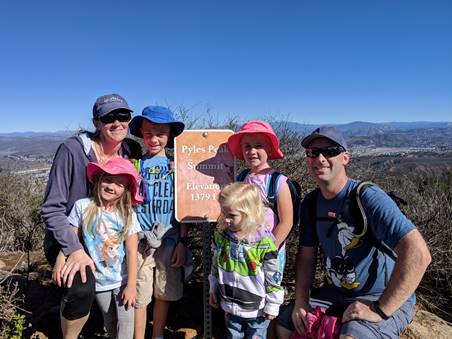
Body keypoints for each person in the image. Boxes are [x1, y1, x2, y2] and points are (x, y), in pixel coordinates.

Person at [276, 126, 432, 339]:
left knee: (352, 336)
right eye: (313, 153)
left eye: (330, 151)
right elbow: (307, 257)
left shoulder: (367, 197)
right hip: (335, 293)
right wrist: (301, 301)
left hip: (379, 296)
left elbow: (418, 253)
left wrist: (380, 309)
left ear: (345, 158)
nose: (320, 158)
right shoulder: (311, 204)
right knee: (283, 326)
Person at [41, 93, 140, 339]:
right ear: (97, 122)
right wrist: (71, 250)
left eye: (123, 115)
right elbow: (52, 208)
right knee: (82, 287)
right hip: (71, 238)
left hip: (110, 237)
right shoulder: (72, 151)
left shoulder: (130, 150)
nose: (117, 123)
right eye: (109, 118)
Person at [55, 158, 142, 339]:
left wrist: (132, 285)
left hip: (123, 279)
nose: (112, 186)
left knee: (126, 326)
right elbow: (71, 239)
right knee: (109, 321)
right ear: (99, 179)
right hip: (100, 280)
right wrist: (60, 261)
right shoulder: (83, 206)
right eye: (108, 180)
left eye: (119, 184)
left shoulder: (127, 214)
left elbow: (133, 251)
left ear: (125, 190)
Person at [128, 105, 189, 339]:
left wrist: (183, 242)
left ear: (169, 135)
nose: (154, 139)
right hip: (141, 242)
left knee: (164, 291)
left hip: (170, 241)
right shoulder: (135, 167)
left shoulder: (177, 169)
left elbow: (183, 209)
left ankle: (157, 335)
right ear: (142, 133)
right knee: (140, 294)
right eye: (148, 133)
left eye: (160, 133)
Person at [209, 182, 284, 338]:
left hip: (257, 311)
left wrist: (273, 303)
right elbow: (216, 265)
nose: (226, 219)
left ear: (248, 213)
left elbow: (273, 276)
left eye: (232, 215)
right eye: (224, 213)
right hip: (230, 305)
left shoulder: (263, 243)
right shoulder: (222, 236)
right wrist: (213, 287)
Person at [227, 120, 293, 250]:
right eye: (247, 146)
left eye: (258, 146)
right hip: (243, 252)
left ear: (269, 148)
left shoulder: (278, 182)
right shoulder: (241, 178)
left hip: (268, 255)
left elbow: (286, 222)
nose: (252, 151)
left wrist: (268, 250)